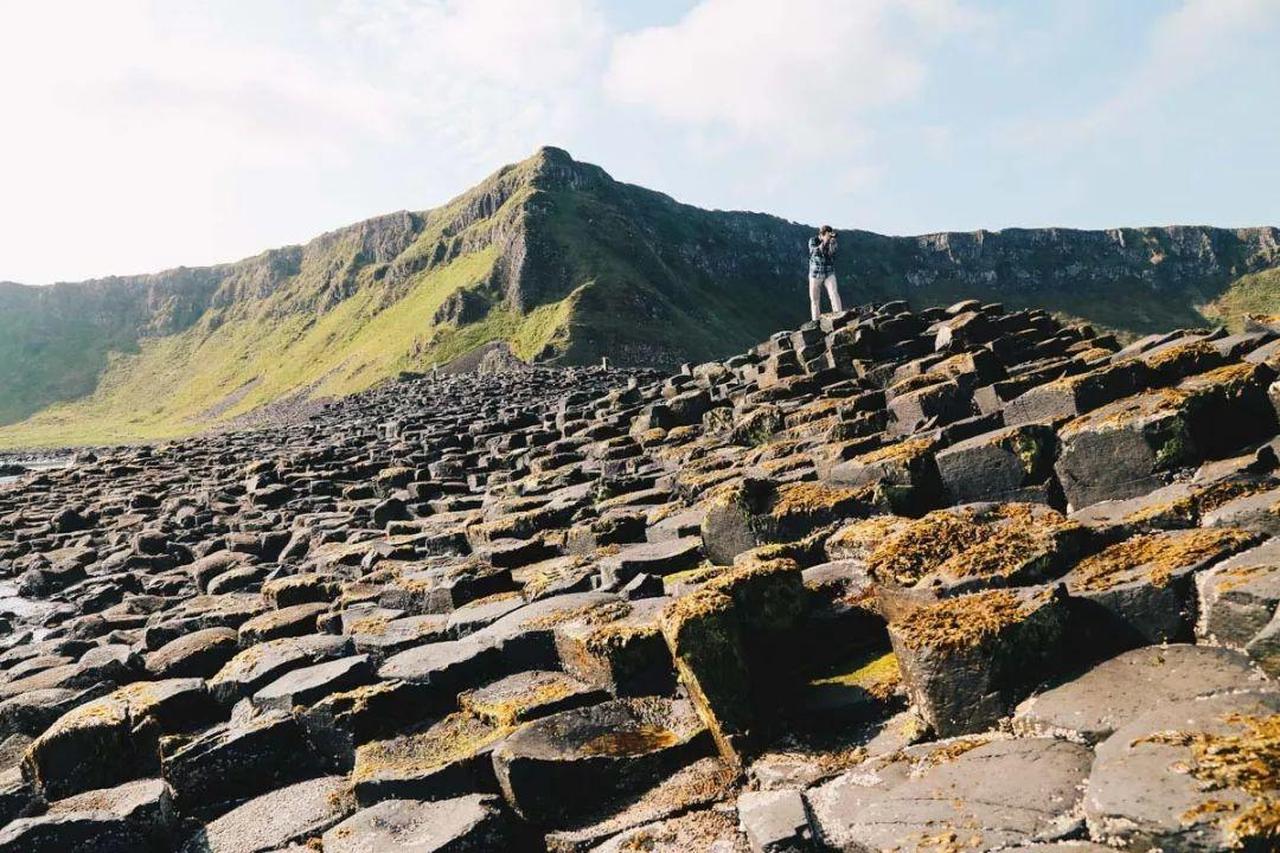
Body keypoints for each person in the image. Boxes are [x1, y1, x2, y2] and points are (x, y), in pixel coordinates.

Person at [807, 225, 844, 322]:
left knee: (834, 293)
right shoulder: (813, 241)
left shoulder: (832, 242)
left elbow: (832, 254)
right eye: (828, 234)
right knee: (814, 299)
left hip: (828, 272)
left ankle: (839, 316)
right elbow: (815, 252)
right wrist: (825, 242)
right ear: (821, 234)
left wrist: (831, 242)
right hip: (815, 274)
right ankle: (815, 322)